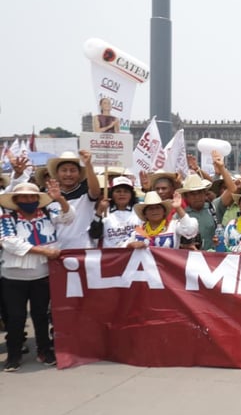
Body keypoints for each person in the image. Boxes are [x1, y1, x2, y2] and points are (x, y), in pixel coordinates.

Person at [0, 181, 74, 371]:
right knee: (16, 317)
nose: (29, 200)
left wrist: (60, 200)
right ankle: (14, 354)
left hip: (42, 275)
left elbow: (68, 218)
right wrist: (43, 252)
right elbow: (9, 242)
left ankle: (44, 350)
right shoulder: (7, 218)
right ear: (16, 200)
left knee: (41, 315)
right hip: (13, 277)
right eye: (24, 197)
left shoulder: (49, 213)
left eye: (33, 196)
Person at [46, 150, 101, 249]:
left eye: (73, 170)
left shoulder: (85, 192)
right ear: (57, 173)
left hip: (84, 249)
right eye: (64, 170)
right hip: (57, 251)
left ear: (79, 174)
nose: (68, 174)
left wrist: (88, 165)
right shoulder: (48, 197)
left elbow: (96, 191)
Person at [123, 191, 198, 249]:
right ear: (145, 214)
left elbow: (190, 230)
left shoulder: (173, 226)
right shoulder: (138, 230)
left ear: (164, 211)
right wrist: (130, 246)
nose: (155, 211)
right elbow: (121, 248)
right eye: (150, 208)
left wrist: (178, 208)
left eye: (158, 208)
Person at [89, 176, 141, 248]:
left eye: (126, 191)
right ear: (111, 194)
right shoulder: (104, 212)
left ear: (131, 195)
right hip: (112, 257)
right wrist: (99, 213)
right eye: (118, 191)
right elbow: (94, 235)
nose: (122, 194)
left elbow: (145, 234)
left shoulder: (139, 210)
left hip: (135, 256)